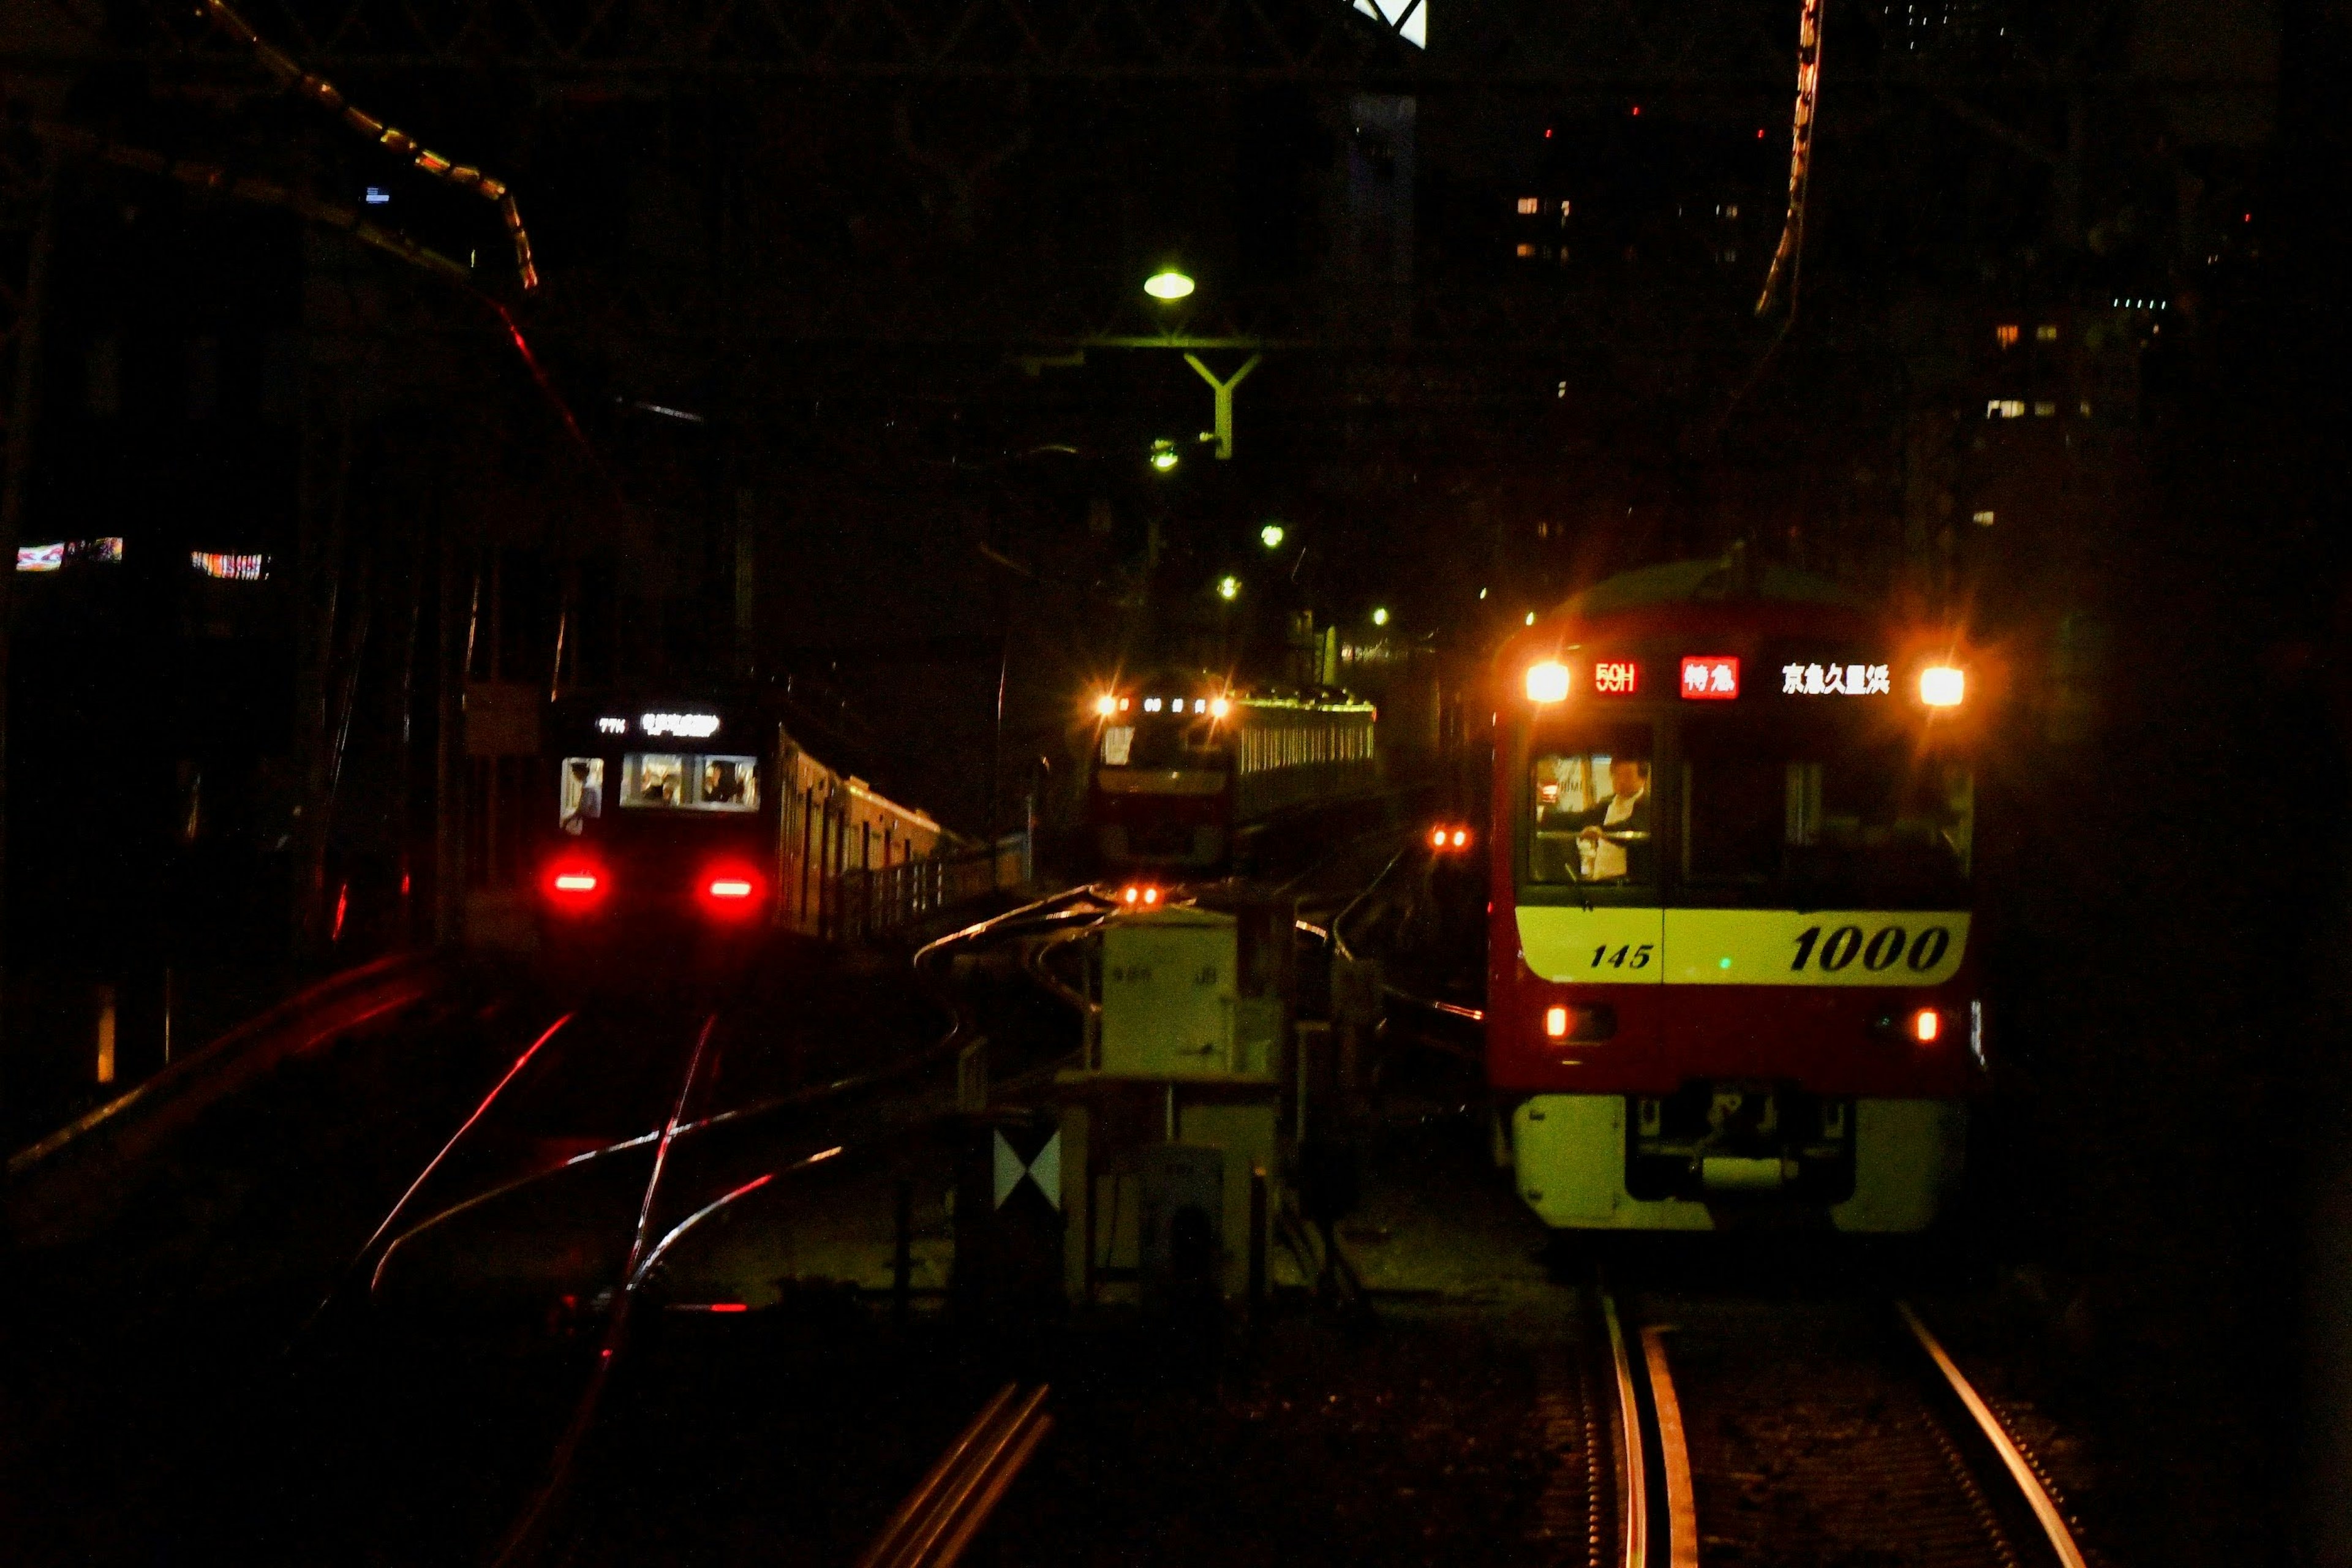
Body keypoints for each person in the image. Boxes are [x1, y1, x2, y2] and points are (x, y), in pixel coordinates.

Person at [1573, 756, 1652, 881]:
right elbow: (1581, 819)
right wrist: (1543, 815)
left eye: (1627, 775)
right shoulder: (1606, 804)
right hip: (1601, 878)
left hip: (1629, 884)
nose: (1620, 780)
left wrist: (1602, 832)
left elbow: (1631, 828)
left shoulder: (1648, 805)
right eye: (1616, 774)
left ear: (1643, 779)